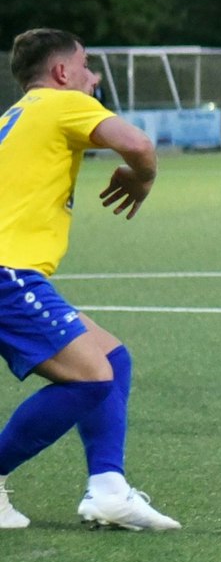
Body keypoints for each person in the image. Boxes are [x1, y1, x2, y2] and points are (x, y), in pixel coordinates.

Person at [0, 29, 179, 530]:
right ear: (61, 73)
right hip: (9, 274)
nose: (93, 77)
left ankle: (108, 490)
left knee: (112, 359)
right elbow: (138, 144)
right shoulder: (61, 103)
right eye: (86, 65)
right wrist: (142, 178)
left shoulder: (13, 118)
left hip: (13, 275)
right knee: (92, 377)